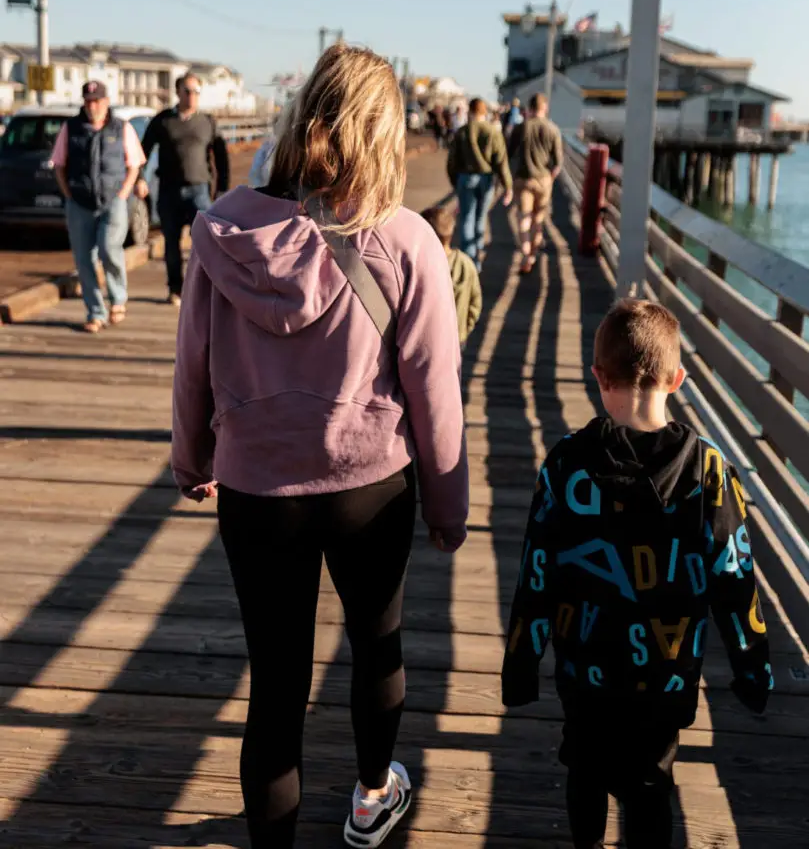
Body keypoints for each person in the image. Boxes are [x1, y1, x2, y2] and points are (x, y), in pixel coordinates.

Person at [172, 44, 469, 849]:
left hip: (257, 489)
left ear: (304, 117)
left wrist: (192, 458)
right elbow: (434, 388)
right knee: (377, 642)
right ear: (383, 132)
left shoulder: (224, 232)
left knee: (275, 683)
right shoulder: (406, 241)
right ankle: (373, 796)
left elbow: (193, 358)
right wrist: (448, 507)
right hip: (369, 485)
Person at [502, 299, 772, 849]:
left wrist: (522, 666)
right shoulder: (709, 470)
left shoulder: (565, 464)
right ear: (678, 379)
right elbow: (735, 578)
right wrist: (752, 670)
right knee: (651, 782)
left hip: (585, 668)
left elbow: (537, 573)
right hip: (665, 675)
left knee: (584, 767)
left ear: (599, 377)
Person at [51, 80, 146, 333]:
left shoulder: (121, 128)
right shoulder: (70, 128)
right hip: (80, 202)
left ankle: (118, 299)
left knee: (109, 248)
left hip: (112, 200)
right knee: (84, 260)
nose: (92, 106)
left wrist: (124, 193)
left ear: (105, 102)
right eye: (88, 101)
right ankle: (95, 312)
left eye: (96, 101)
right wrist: (68, 194)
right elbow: (58, 163)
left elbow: (135, 163)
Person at [137, 73, 230, 305]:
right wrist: (140, 178)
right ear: (177, 92)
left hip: (199, 190)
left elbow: (221, 157)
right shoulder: (163, 121)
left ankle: (205, 288)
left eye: (196, 92)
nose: (192, 96)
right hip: (169, 191)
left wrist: (221, 191)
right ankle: (175, 288)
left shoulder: (207, 122)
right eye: (187, 91)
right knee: (171, 242)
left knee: (206, 241)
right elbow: (143, 151)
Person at [446, 96, 513, 269]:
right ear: (485, 111)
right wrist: (508, 186)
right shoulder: (493, 132)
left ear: (470, 110)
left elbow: (452, 161)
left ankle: (469, 262)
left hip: (466, 178)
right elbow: (501, 161)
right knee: (480, 219)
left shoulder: (462, 132)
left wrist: (455, 181)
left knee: (466, 219)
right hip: (487, 179)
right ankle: (477, 253)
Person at [507, 92, 564, 273]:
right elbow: (558, 163)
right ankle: (532, 254)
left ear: (529, 108)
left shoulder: (521, 128)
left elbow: (508, 154)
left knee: (523, 218)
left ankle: (525, 254)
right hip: (544, 180)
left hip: (523, 179)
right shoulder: (553, 129)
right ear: (544, 108)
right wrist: (550, 177)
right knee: (538, 220)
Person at [422, 204, 482, 349]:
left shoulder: (422, 264)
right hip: (456, 336)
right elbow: (475, 302)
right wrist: (464, 329)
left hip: (426, 337)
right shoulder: (466, 263)